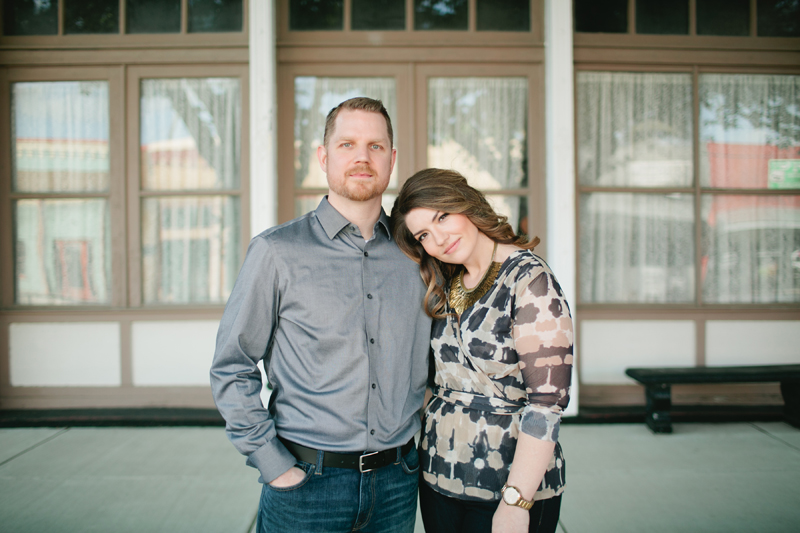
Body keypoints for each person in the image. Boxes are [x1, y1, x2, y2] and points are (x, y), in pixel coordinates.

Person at [210, 97, 432, 533]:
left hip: (397, 484)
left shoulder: (419, 257)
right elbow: (232, 366)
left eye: (375, 146)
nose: (362, 158)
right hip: (306, 487)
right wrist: (274, 465)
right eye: (347, 144)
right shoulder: (277, 251)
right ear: (323, 157)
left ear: (392, 159)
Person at [391, 168, 573, 533]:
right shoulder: (443, 281)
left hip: (505, 486)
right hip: (439, 477)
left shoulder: (528, 279)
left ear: (466, 204)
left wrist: (516, 500)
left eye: (442, 216)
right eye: (424, 234)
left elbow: (546, 404)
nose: (439, 238)